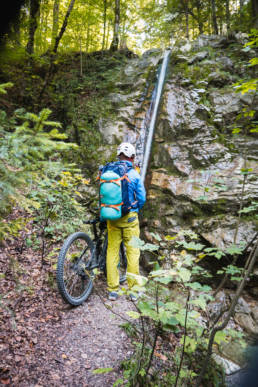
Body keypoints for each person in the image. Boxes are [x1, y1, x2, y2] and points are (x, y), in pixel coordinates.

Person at [106, 142, 146, 301]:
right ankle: (133, 291)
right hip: (130, 219)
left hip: (112, 218)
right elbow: (142, 198)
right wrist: (135, 207)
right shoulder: (134, 174)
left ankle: (112, 290)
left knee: (112, 252)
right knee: (133, 253)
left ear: (119, 155)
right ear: (132, 157)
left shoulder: (108, 171)